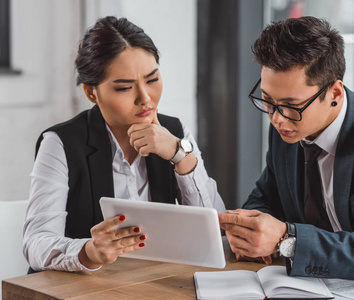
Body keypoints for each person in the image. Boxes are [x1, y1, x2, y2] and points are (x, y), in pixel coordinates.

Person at [219, 16, 354, 282]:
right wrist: (247, 230)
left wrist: (290, 241)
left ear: (334, 92)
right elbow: (266, 200)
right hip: (312, 283)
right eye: (267, 101)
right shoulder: (285, 129)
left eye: (291, 105)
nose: (277, 118)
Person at [23, 16, 225, 272]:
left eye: (152, 80)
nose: (145, 98)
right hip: (80, 289)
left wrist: (180, 155)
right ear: (91, 92)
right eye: (124, 88)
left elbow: (216, 227)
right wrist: (89, 252)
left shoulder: (174, 132)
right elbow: (35, 243)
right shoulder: (60, 143)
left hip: (151, 282)